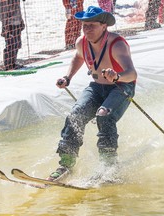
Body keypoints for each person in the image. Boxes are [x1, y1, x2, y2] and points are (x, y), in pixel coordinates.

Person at [48, 6, 137, 181]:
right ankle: (66, 164)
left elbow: (132, 74)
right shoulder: (82, 42)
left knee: (103, 115)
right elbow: (79, 57)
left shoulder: (116, 44)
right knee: (75, 115)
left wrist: (117, 76)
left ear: (103, 26)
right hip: (97, 86)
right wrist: (68, 77)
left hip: (121, 87)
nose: (87, 30)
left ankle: (109, 166)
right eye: (84, 25)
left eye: (91, 26)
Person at [0, 0, 25, 70]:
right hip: (9, 24)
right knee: (10, 44)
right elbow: (3, 12)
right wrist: (5, 26)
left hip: (17, 21)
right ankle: (8, 65)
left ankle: (13, 63)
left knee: (17, 44)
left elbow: (18, 9)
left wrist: (21, 21)